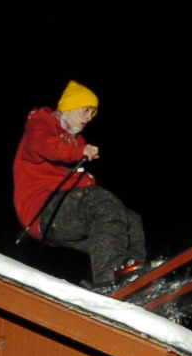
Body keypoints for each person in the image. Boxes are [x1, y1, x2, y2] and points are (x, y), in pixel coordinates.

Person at [13, 80, 150, 291]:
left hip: (64, 211)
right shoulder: (42, 123)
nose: (89, 118)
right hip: (42, 207)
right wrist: (79, 153)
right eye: (86, 110)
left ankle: (132, 272)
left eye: (92, 114)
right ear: (70, 106)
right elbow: (44, 145)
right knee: (101, 203)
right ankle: (107, 280)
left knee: (129, 219)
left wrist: (86, 176)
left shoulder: (76, 140)